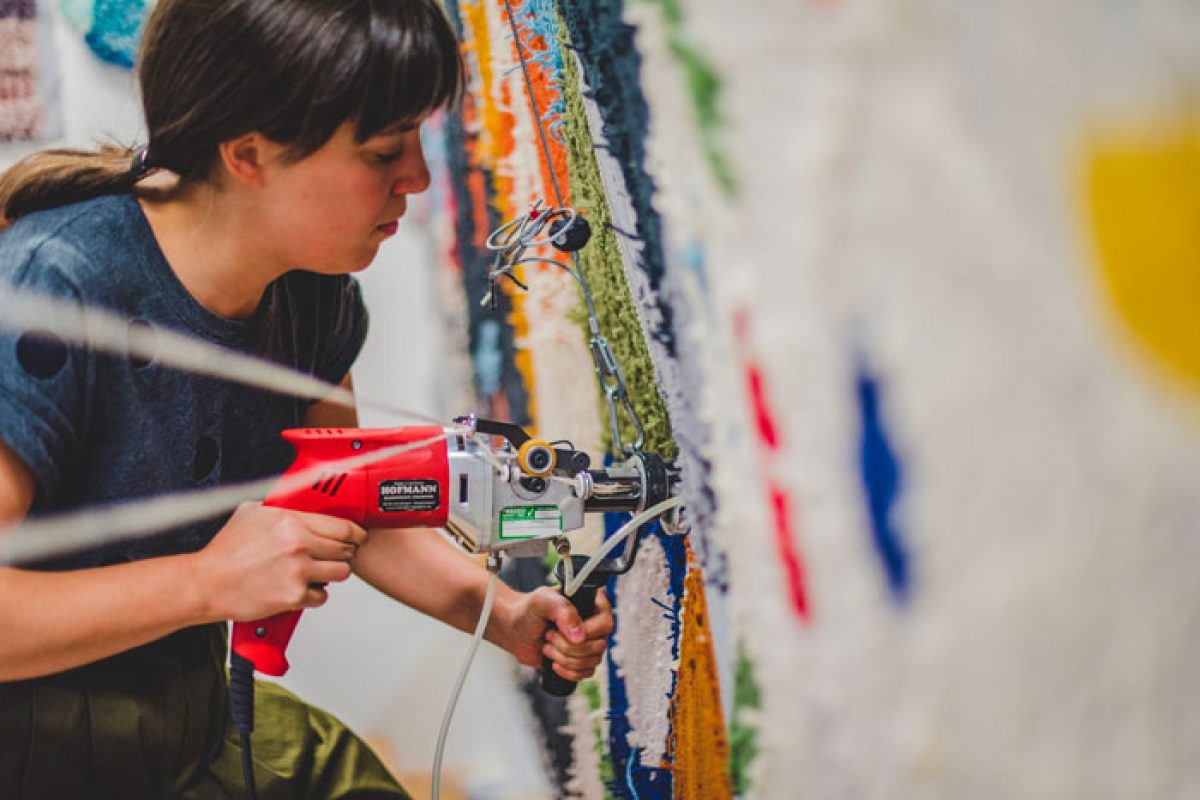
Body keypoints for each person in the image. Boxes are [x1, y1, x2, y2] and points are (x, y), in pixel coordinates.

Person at [0, 0, 614, 796]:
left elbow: (346, 504)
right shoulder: (50, 290)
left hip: (187, 716)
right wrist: (210, 583)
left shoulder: (312, 297)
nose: (419, 179)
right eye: (385, 151)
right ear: (249, 153)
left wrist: (499, 614)